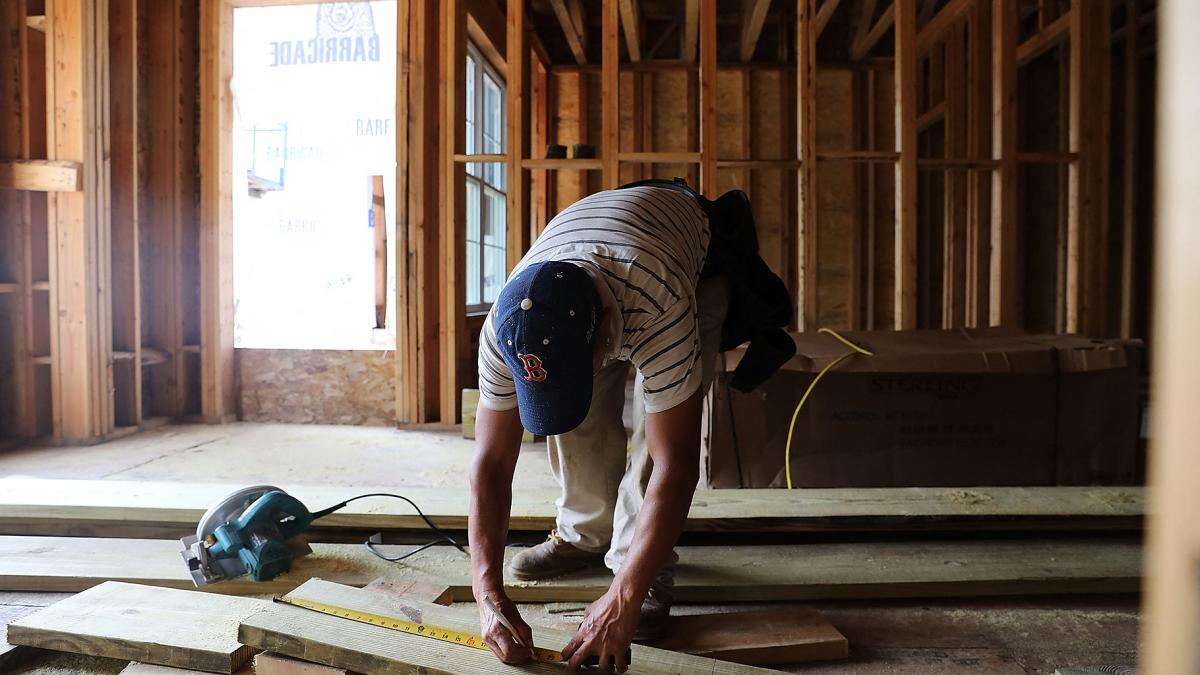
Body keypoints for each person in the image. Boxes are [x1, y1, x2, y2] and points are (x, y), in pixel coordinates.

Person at [469, 179, 791, 672]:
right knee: (574, 413)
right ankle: (585, 534)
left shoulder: (659, 303)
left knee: (652, 434)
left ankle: (638, 565)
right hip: (604, 261)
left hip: (687, 271)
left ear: (605, 334)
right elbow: (490, 463)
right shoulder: (506, 329)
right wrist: (485, 592)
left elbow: (675, 464)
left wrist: (623, 598)